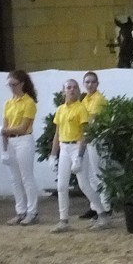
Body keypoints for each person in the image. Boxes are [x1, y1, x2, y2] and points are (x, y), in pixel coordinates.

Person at [49, 79, 111, 233]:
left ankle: (102, 214)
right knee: (61, 186)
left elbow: (85, 133)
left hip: (77, 146)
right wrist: (53, 154)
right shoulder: (60, 110)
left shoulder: (81, 109)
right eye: (68, 88)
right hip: (64, 147)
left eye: (75, 87)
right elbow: (57, 133)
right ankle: (63, 219)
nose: (72, 90)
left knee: (84, 184)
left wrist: (80, 156)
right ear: (64, 91)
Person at [0, 70, 39, 225]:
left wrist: (4, 131)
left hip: (24, 141)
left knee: (26, 177)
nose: (12, 87)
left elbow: (22, 128)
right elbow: (5, 126)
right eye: (9, 85)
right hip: (11, 142)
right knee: (15, 179)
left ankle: (32, 212)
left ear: (22, 84)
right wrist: (4, 149)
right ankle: (20, 211)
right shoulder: (8, 103)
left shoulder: (29, 102)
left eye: (14, 84)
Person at [78, 71, 112, 225]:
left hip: (96, 138)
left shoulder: (98, 100)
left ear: (97, 84)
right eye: (87, 82)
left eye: (92, 82)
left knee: (99, 173)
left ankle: (106, 206)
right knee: (92, 175)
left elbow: (90, 121)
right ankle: (95, 206)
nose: (90, 84)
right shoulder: (85, 99)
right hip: (88, 139)